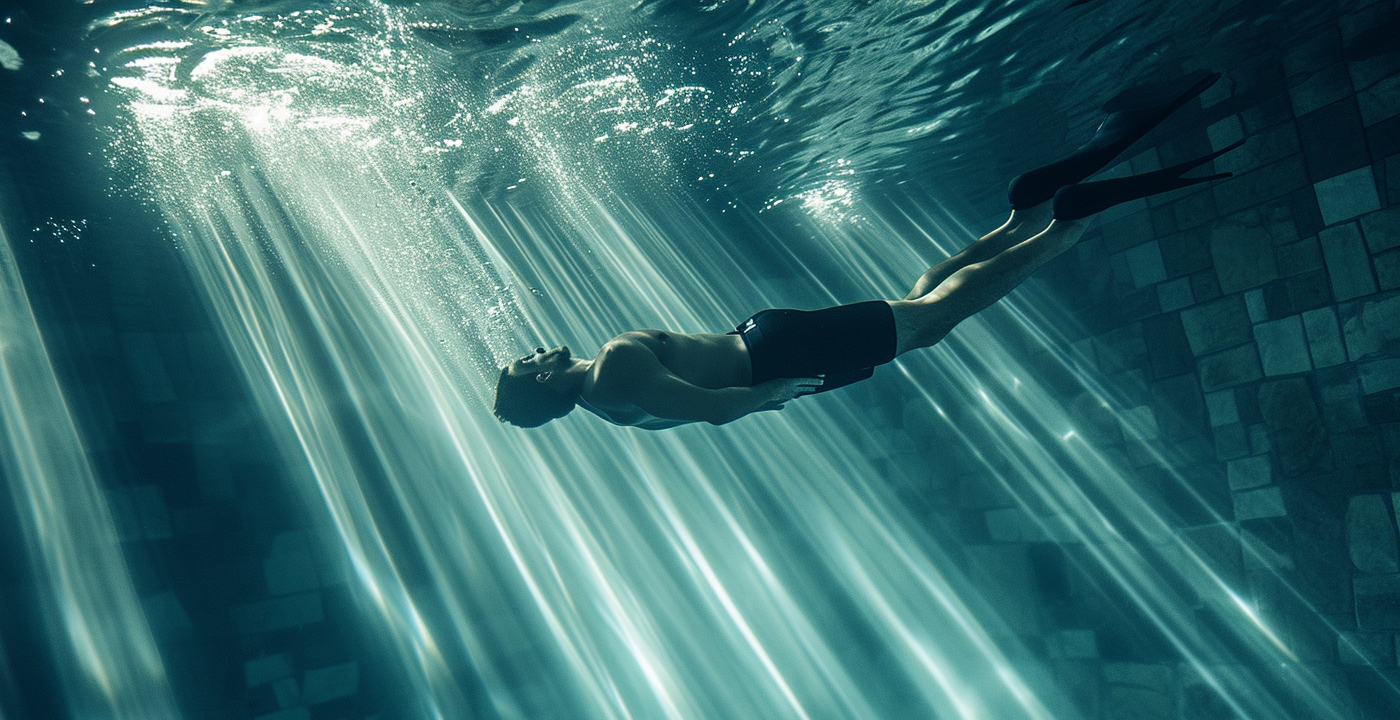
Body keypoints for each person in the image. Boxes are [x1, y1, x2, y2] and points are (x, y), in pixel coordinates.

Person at [495, 72, 1238, 430]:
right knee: (919, 300)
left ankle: (1058, 227)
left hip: (776, 355)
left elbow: (712, 411)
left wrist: (783, 391)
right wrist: (771, 381)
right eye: (522, 366)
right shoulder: (606, 381)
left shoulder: (614, 379)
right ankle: (1020, 218)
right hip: (764, 338)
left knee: (935, 318)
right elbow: (696, 402)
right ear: (541, 390)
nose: (529, 352)